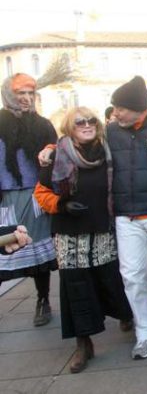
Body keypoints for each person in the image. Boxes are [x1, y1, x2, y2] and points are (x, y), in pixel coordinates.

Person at [39, 76, 147, 359]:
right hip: (126, 216)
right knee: (132, 276)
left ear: (137, 107)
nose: (115, 113)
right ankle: (146, 332)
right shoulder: (110, 131)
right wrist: (50, 150)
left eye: (120, 108)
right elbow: (71, 142)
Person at [34, 107, 133, 373]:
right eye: (80, 122)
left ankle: (127, 316)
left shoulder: (106, 151)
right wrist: (61, 204)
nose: (87, 125)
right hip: (69, 232)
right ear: (69, 126)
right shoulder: (57, 154)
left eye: (91, 120)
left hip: (102, 227)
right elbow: (41, 193)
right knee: (75, 287)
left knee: (110, 278)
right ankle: (83, 344)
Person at [0, 73, 58, 327]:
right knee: (4, 253)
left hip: (35, 194)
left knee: (38, 254)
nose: (26, 99)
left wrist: (51, 151)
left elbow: (58, 152)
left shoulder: (43, 124)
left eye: (30, 94)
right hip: (5, 197)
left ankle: (43, 300)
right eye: (20, 94)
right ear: (9, 95)